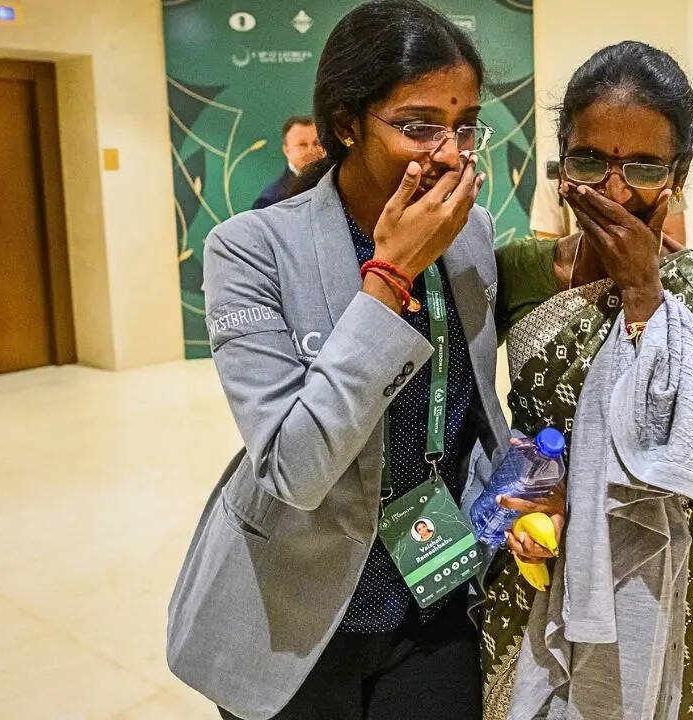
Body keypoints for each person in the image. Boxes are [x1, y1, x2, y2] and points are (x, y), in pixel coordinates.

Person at [165, 3, 557, 718]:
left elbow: (467, 404)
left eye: (465, 125)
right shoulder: (249, 251)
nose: (450, 153)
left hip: (434, 589)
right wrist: (390, 277)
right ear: (346, 124)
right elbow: (293, 469)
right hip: (297, 609)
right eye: (419, 126)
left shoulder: (470, 232)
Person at [485, 41, 693, 720]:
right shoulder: (516, 274)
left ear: (677, 175)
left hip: (661, 578)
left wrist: (643, 294)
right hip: (536, 563)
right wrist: (534, 490)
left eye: (644, 168)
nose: (614, 190)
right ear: (560, 162)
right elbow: (483, 419)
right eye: (588, 161)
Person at [529, 153, 687, 245]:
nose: (616, 195)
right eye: (589, 163)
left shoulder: (659, 176)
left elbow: (673, 241)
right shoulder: (555, 179)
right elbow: (549, 250)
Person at [251, 115, 325, 209]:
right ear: (286, 150)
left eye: (317, 143)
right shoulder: (271, 201)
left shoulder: (338, 187)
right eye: (302, 145)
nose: (312, 151)